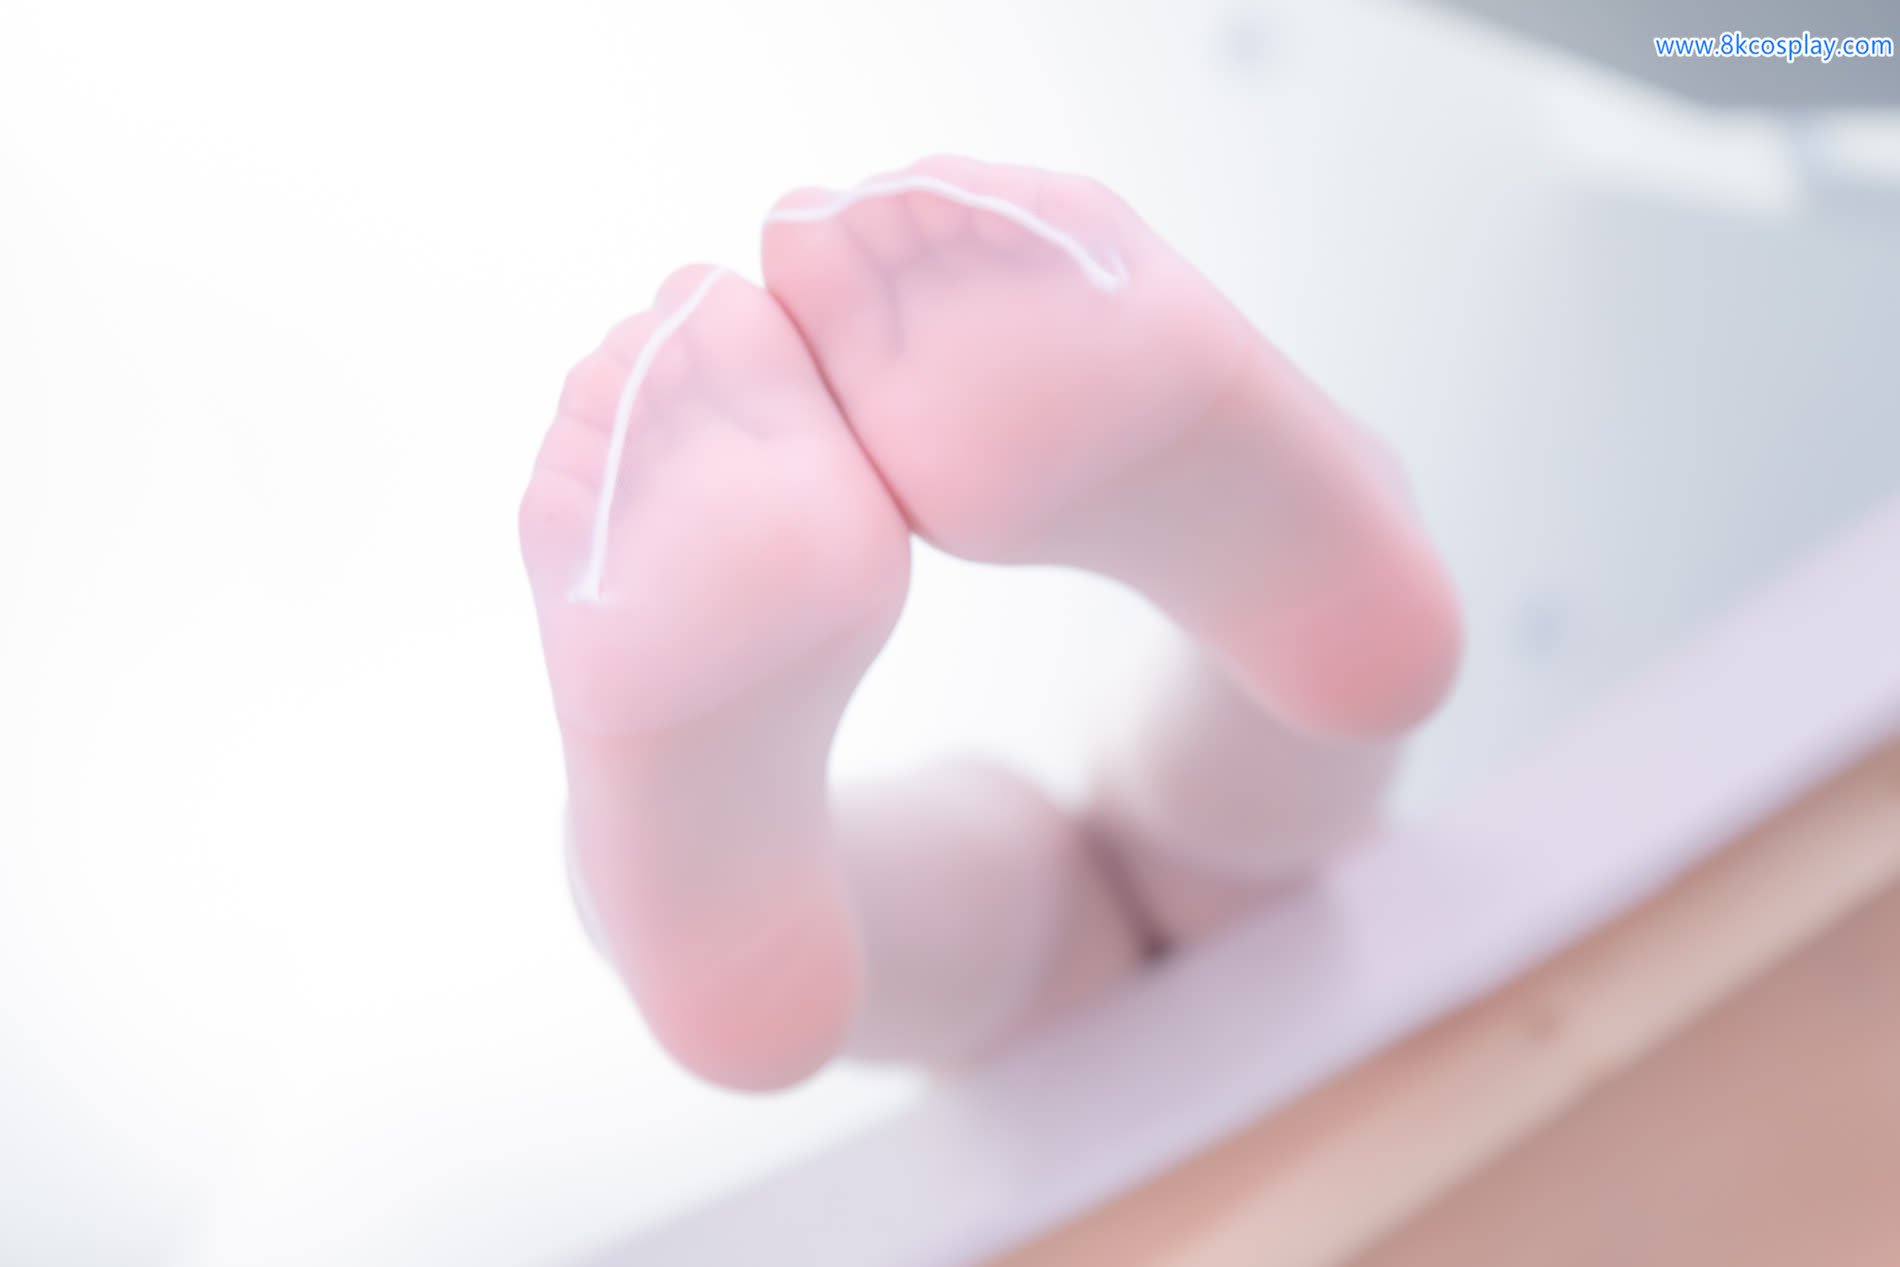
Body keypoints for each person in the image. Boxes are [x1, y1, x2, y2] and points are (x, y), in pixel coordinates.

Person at [517, 155, 1462, 1092]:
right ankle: (1283, 550)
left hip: (1051, 1085)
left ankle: (705, 883)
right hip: (1336, 942)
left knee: (1019, 932)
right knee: (1244, 845)